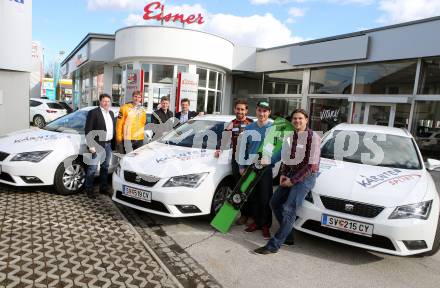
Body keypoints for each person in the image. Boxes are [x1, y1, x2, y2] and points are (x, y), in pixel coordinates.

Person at [254, 109, 321, 255]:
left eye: (300, 118)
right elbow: (286, 157)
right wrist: (283, 174)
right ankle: (288, 236)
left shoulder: (313, 137)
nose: (297, 121)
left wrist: (293, 180)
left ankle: (273, 245)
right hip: (290, 174)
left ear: (306, 120)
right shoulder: (291, 136)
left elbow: (311, 166)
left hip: (306, 177)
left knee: (289, 209)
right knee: (274, 202)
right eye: (294, 119)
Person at [238, 101, 275, 239]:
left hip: (265, 169)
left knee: (265, 198)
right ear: (256, 111)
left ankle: (265, 225)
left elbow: (277, 149)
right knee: (253, 197)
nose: (262, 113)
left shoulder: (273, 128)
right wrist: (242, 166)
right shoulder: (249, 128)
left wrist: (270, 160)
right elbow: (243, 148)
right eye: (259, 110)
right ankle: (257, 222)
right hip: (251, 167)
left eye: (265, 111)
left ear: (269, 112)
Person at [215, 99, 254, 224]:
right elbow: (225, 139)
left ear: (246, 110)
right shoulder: (231, 123)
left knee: (250, 188)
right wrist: (219, 150)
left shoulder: (251, 123)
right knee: (239, 188)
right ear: (234, 110)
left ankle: (252, 215)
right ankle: (243, 215)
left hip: (250, 161)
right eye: (238, 109)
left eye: (242, 109)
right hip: (236, 160)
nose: (240, 111)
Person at [84, 93, 116, 199]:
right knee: (92, 168)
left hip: (108, 144)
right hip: (97, 145)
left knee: (105, 167)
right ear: (100, 102)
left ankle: (103, 187)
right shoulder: (93, 113)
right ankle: (88, 189)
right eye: (104, 101)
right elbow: (88, 130)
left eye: (108, 101)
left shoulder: (111, 113)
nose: (106, 103)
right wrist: (90, 145)